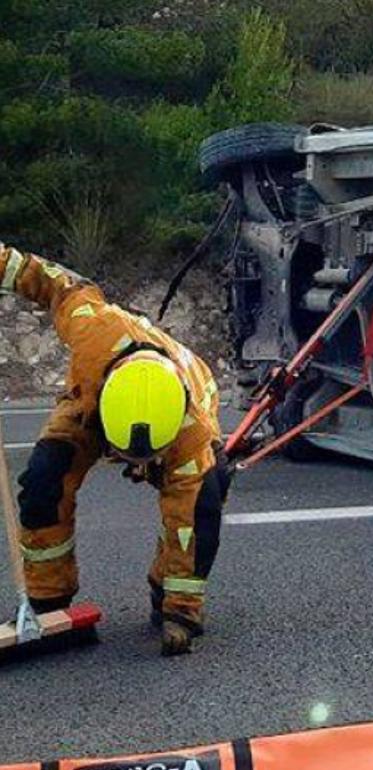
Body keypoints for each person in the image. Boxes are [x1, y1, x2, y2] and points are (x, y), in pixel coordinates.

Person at [0, 243, 228, 655]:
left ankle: (168, 595)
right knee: (43, 481)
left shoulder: (191, 430)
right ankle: (48, 602)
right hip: (92, 398)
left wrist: (180, 614)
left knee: (200, 505)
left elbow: (187, 524)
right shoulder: (91, 325)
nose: (131, 468)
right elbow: (48, 280)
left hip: (179, 413)